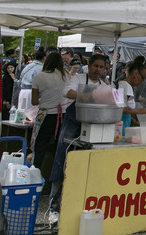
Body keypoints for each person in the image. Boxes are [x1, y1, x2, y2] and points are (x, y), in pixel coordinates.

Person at [46, 54, 108, 226]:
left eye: (101, 67)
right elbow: (66, 91)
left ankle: (76, 206)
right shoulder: (79, 78)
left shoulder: (105, 85)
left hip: (92, 127)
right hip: (72, 125)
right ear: (90, 66)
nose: (98, 70)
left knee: (83, 166)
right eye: (95, 66)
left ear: (105, 69)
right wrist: (83, 94)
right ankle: (53, 208)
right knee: (61, 163)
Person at [30, 51, 71, 172]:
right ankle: (55, 174)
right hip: (63, 115)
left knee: (40, 145)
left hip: (45, 115)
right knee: (58, 147)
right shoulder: (66, 75)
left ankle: (36, 171)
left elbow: (34, 101)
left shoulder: (39, 77)